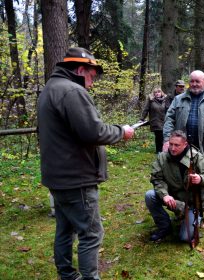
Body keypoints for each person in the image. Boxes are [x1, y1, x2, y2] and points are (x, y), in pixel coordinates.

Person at [37, 47, 135, 280]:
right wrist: (122, 132)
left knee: (65, 230)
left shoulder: (50, 89)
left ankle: (67, 275)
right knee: (91, 234)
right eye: (91, 76)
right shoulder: (72, 91)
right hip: (76, 177)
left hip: (58, 177)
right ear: (80, 69)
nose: (91, 83)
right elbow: (92, 131)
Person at [163, 70, 204, 227]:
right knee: (185, 181)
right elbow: (169, 119)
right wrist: (168, 140)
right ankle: (188, 211)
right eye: (192, 81)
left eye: (197, 81)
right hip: (184, 149)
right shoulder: (179, 100)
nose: (194, 84)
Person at [145, 130, 204, 242]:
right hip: (172, 198)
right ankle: (164, 227)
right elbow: (157, 178)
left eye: (177, 145)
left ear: (185, 144)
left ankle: (193, 218)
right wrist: (164, 195)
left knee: (185, 238)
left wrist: (201, 179)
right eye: (171, 144)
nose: (173, 148)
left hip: (192, 204)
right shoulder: (162, 157)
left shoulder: (196, 157)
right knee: (150, 195)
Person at [140, 87, 171, 153]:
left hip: (164, 120)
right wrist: (142, 118)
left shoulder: (165, 100)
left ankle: (164, 150)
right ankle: (159, 151)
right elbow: (146, 109)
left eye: (158, 92)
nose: (157, 94)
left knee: (164, 135)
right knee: (159, 136)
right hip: (155, 121)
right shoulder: (151, 100)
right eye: (155, 92)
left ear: (161, 93)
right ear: (154, 94)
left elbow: (169, 109)